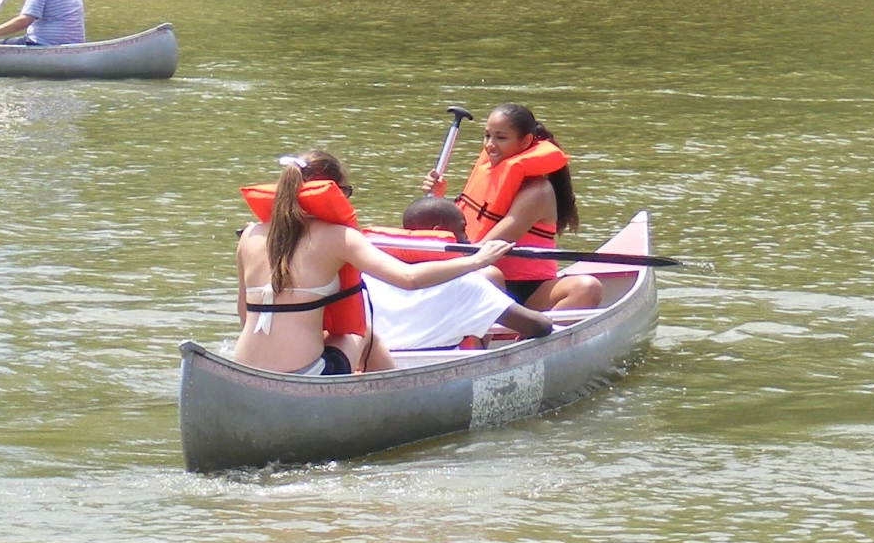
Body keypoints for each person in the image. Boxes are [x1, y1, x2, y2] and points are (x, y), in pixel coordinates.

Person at [235, 152, 510, 376]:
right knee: (365, 333)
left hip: (245, 371)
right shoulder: (339, 237)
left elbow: (244, 315)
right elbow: (409, 278)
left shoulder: (250, 235)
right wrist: (477, 260)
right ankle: (395, 404)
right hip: (306, 374)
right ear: (334, 191)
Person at [425, 103, 601, 312]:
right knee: (488, 276)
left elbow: (489, 245)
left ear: (526, 141)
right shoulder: (491, 174)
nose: (490, 144)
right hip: (483, 278)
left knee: (587, 287)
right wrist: (437, 200)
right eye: (487, 135)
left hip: (530, 291)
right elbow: (462, 228)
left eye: (501, 137)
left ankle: (531, 336)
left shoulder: (538, 192)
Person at [363, 196, 555, 352]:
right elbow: (540, 326)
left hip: (385, 366)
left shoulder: (369, 277)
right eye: (462, 230)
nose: (468, 239)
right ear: (440, 232)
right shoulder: (465, 285)